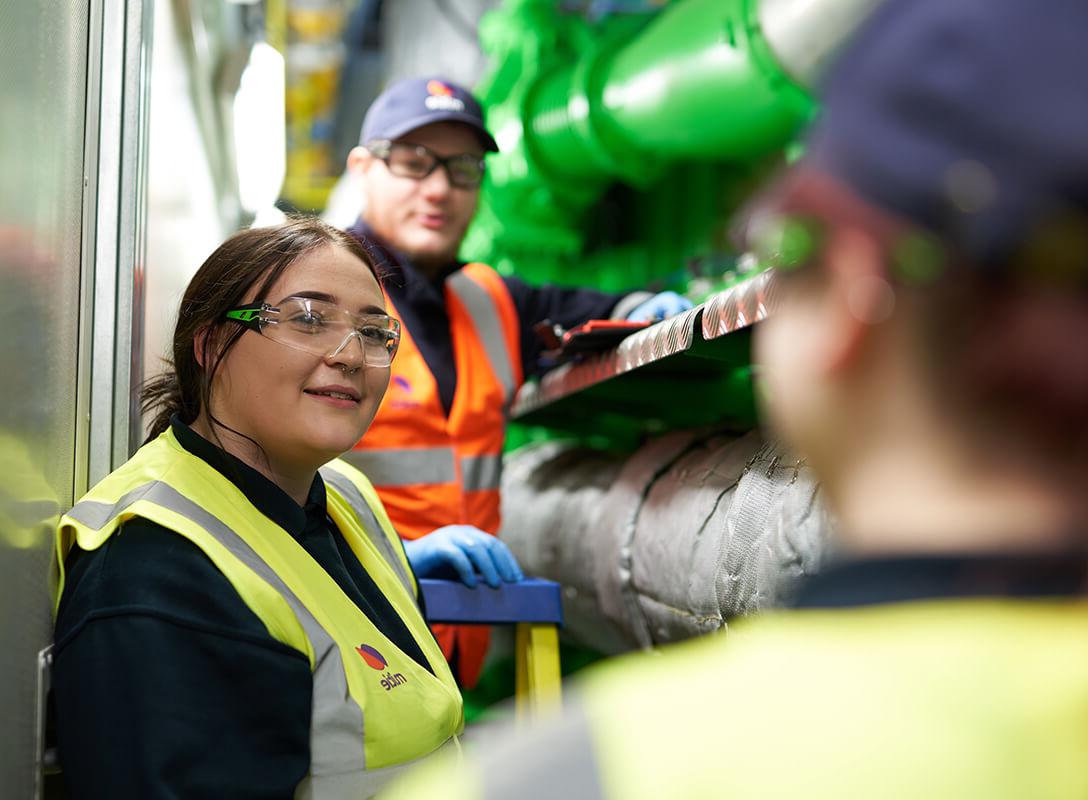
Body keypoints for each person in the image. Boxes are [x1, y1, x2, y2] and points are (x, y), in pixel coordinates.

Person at [383, 0, 1088, 796]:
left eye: (784, 247)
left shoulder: (576, 774)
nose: (440, 189)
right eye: (414, 165)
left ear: (854, 301)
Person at [52, 218, 522, 798]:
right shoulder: (156, 575)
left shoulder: (346, 494)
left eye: (375, 333)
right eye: (308, 318)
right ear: (210, 345)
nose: (351, 355)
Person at [343, 76, 693, 686]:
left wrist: (645, 307)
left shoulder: (490, 300)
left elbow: (591, 309)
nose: (439, 188)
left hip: (453, 650)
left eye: (463, 168)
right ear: (363, 167)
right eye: (413, 162)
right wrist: (390, 559)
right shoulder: (313, 295)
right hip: (347, 622)